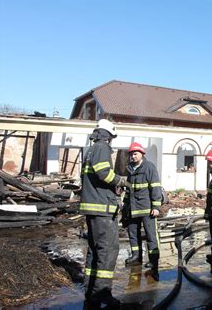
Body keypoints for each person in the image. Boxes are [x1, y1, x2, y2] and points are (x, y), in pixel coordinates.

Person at [80, 119, 128, 308]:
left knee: (94, 248)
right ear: (108, 135)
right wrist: (120, 181)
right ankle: (102, 293)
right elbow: (103, 174)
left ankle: (91, 289)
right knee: (108, 250)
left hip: (92, 206)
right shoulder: (101, 148)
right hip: (102, 208)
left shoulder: (90, 150)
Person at [123, 142, 163, 281]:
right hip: (133, 209)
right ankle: (136, 256)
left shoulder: (149, 167)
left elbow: (156, 187)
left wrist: (156, 207)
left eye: (135, 154)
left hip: (147, 209)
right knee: (133, 234)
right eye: (131, 154)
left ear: (142, 154)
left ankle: (153, 261)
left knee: (151, 236)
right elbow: (128, 190)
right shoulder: (130, 169)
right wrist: (125, 207)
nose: (132, 156)